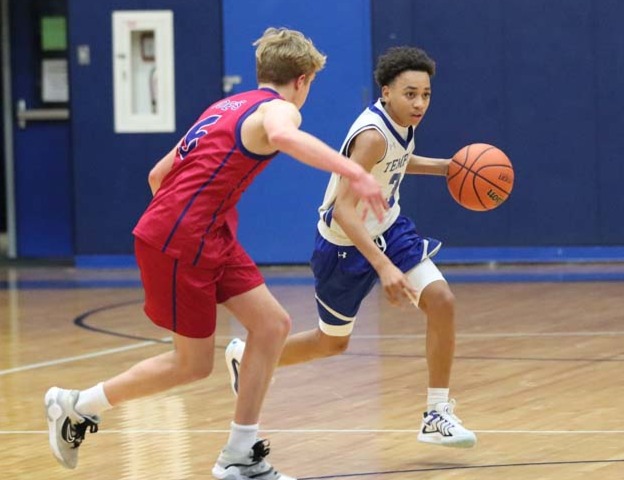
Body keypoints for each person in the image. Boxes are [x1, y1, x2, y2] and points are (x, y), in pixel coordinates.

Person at [44, 27, 387, 480]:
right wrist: (354, 173)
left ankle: (240, 454)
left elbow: (157, 175)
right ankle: (76, 405)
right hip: (183, 238)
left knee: (272, 325)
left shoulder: (225, 106)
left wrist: (200, 214)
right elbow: (284, 136)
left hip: (207, 233)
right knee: (191, 364)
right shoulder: (280, 109)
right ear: (302, 80)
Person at [226, 46, 477, 449]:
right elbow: (343, 210)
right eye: (410, 94)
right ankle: (247, 356)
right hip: (343, 244)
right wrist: (384, 266)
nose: (419, 103)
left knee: (441, 301)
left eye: (426, 95)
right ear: (386, 92)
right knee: (331, 342)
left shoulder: (401, 124)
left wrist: (446, 167)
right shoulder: (373, 136)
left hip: (389, 227)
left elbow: (398, 160)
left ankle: (436, 414)